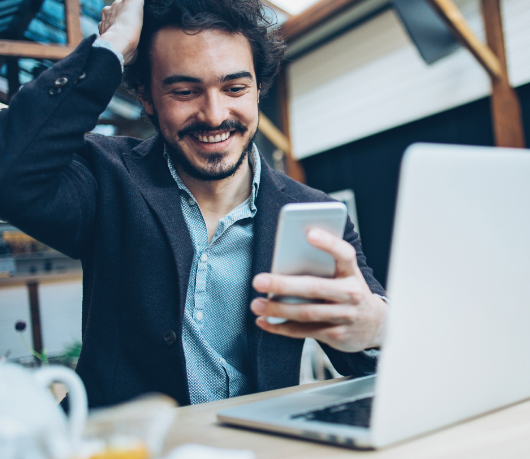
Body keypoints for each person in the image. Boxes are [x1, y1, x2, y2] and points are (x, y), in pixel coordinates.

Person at [0, 0, 387, 408]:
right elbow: (10, 172)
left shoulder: (311, 213)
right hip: (125, 447)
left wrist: (376, 327)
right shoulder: (105, 177)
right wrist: (111, 46)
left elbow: (366, 357)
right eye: (185, 92)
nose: (215, 114)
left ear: (258, 90)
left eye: (235, 88)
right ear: (147, 97)